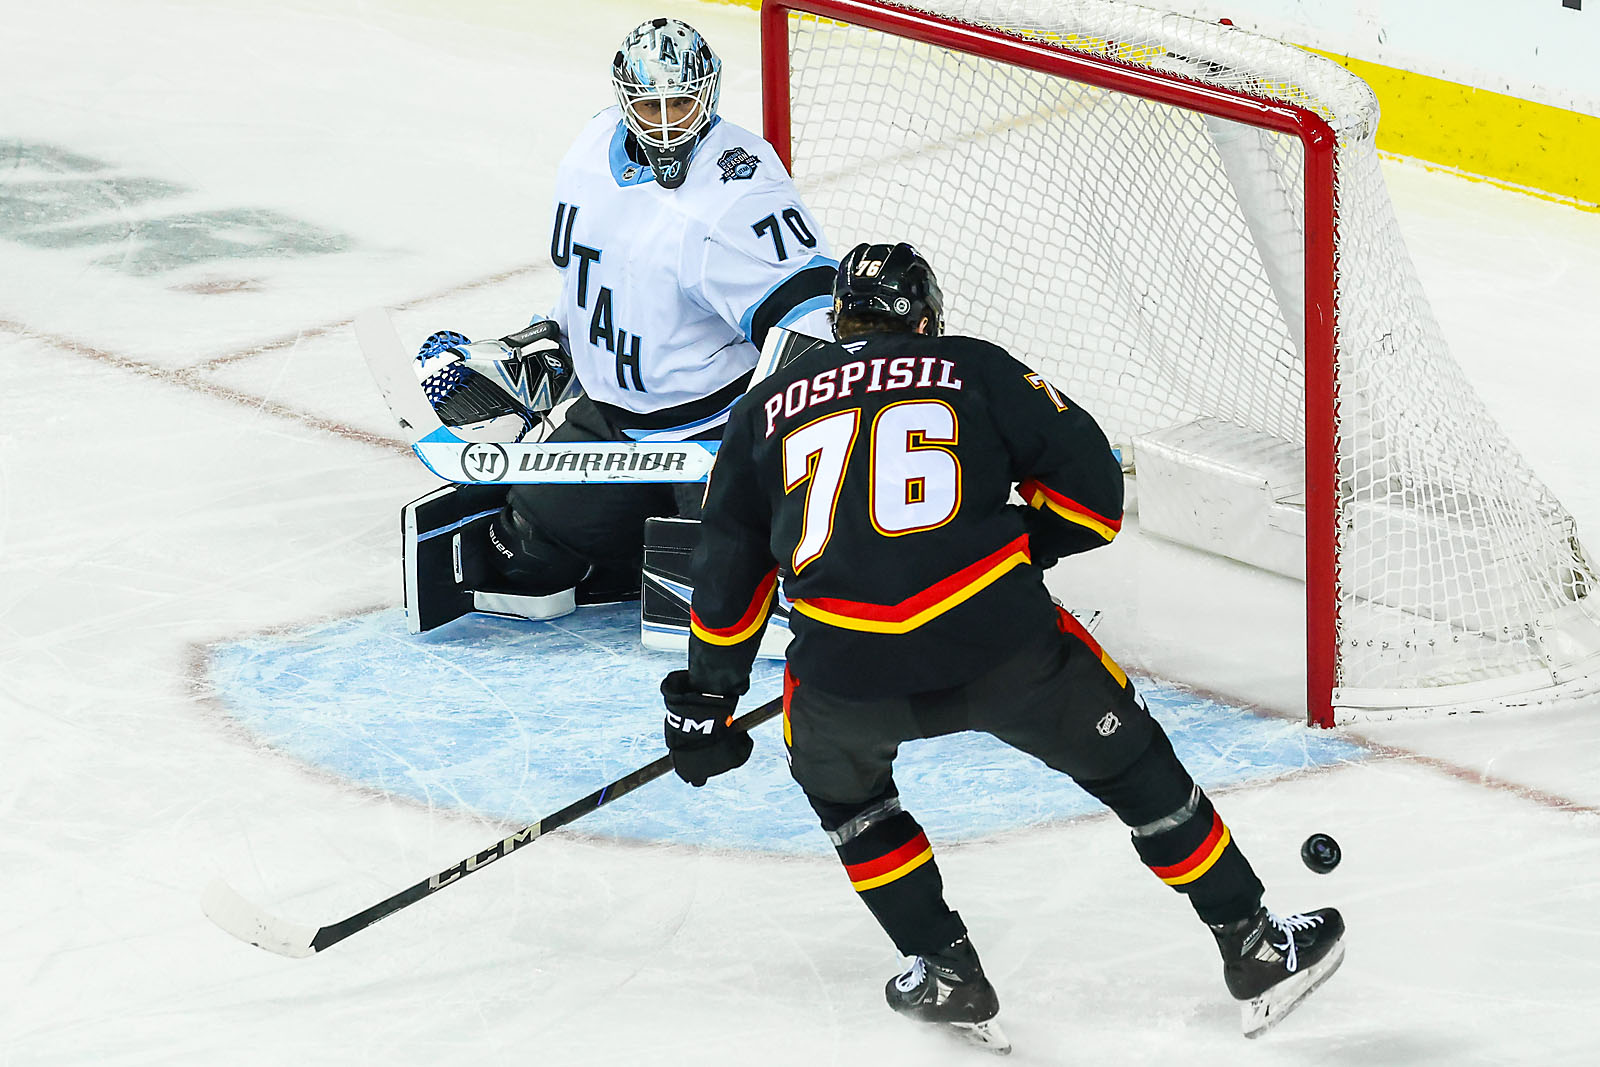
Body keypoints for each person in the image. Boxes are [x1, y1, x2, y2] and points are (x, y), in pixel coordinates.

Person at [659, 242, 1345, 1051]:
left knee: (849, 801)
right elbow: (1094, 495)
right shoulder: (973, 367)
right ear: (925, 317)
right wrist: (1018, 542)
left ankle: (944, 968)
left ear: (839, 318)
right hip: (1001, 647)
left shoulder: (764, 406)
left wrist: (709, 699)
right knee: (1134, 767)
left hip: (845, 676)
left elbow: (728, 570)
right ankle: (1255, 945)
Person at [404, 17, 837, 630]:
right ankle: (632, 547)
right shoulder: (589, 151)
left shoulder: (739, 190)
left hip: (715, 435)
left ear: (708, 93)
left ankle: (751, 534)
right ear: (622, 98)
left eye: (681, 102)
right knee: (526, 552)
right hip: (612, 421)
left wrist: (767, 453)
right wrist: (541, 349)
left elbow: (813, 323)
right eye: (648, 103)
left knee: (721, 607)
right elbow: (585, 280)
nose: (665, 122)